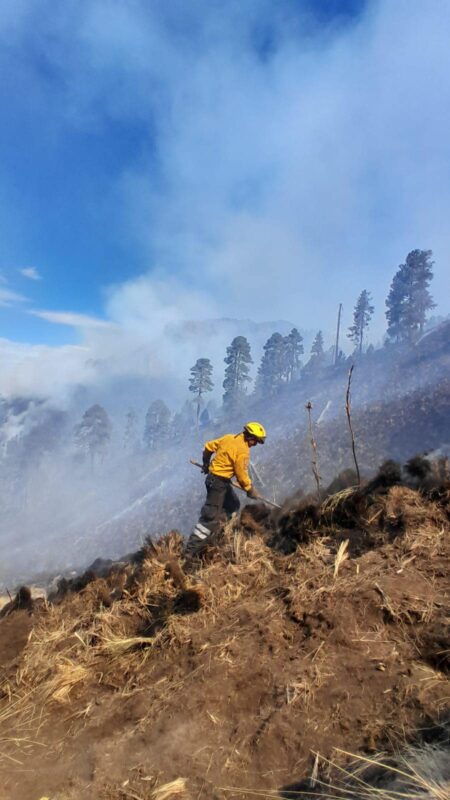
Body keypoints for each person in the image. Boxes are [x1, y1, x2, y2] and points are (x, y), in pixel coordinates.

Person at [184, 422, 266, 557]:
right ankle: (189, 551)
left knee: (233, 505)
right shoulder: (243, 450)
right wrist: (250, 489)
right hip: (218, 484)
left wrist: (206, 463)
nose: (255, 445)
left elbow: (208, 447)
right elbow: (241, 474)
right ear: (250, 437)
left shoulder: (229, 438)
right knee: (209, 518)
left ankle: (218, 532)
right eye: (255, 442)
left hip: (214, 480)